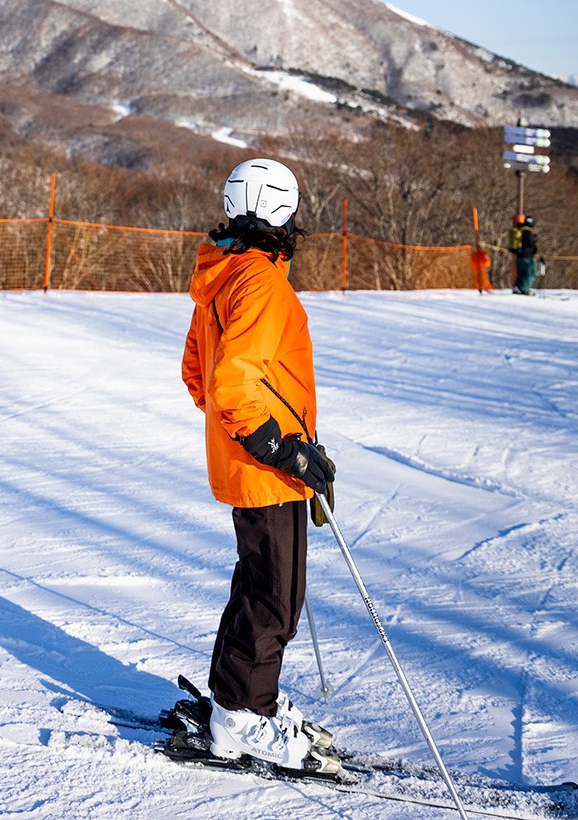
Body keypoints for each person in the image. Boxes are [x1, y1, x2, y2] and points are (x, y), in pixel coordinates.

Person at [181, 158, 340, 776]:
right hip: (265, 467)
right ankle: (243, 717)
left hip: (244, 461)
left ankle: (234, 703)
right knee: (276, 597)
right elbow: (230, 385)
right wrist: (283, 447)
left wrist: (249, 434)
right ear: (283, 211)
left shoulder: (220, 276)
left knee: (256, 584)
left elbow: (200, 377)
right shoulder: (262, 283)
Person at [508, 214, 539, 295]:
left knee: (522, 273)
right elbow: (531, 245)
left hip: (519, 256)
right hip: (526, 256)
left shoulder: (519, 230)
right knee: (532, 272)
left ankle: (517, 287)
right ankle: (524, 288)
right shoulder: (527, 232)